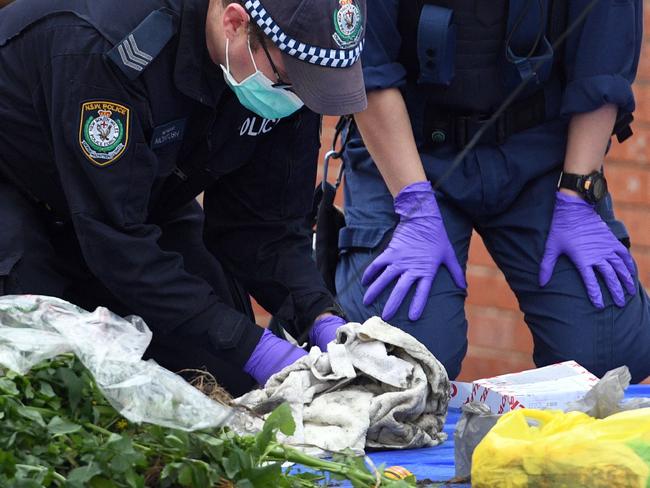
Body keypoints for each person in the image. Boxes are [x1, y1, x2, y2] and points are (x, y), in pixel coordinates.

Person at [0, 0, 362, 396]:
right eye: (292, 81)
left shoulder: (286, 73)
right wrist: (255, 348)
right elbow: (117, 242)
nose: (299, 100)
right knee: (48, 378)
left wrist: (320, 316)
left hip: (139, 199)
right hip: (19, 189)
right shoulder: (112, 48)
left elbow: (262, 228)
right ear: (235, 22)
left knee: (232, 377)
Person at [335, 0, 650, 382]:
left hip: (542, 150)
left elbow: (603, 63)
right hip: (406, 151)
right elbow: (368, 68)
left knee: (610, 357)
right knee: (403, 363)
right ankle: (330, 299)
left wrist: (578, 195)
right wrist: (414, 203)